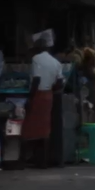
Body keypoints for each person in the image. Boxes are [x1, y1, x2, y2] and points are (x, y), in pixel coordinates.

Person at [22, 35, 63, 167]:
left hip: (38, 95)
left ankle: (26, 159)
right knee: (45, 129)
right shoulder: (56, 62)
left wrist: (30, 98)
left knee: (29, 127)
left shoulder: (36, 59)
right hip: (49, 95)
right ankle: (43, 160)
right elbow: (60, 82)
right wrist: (51, 87)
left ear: (38, 48)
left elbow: (36, 79)